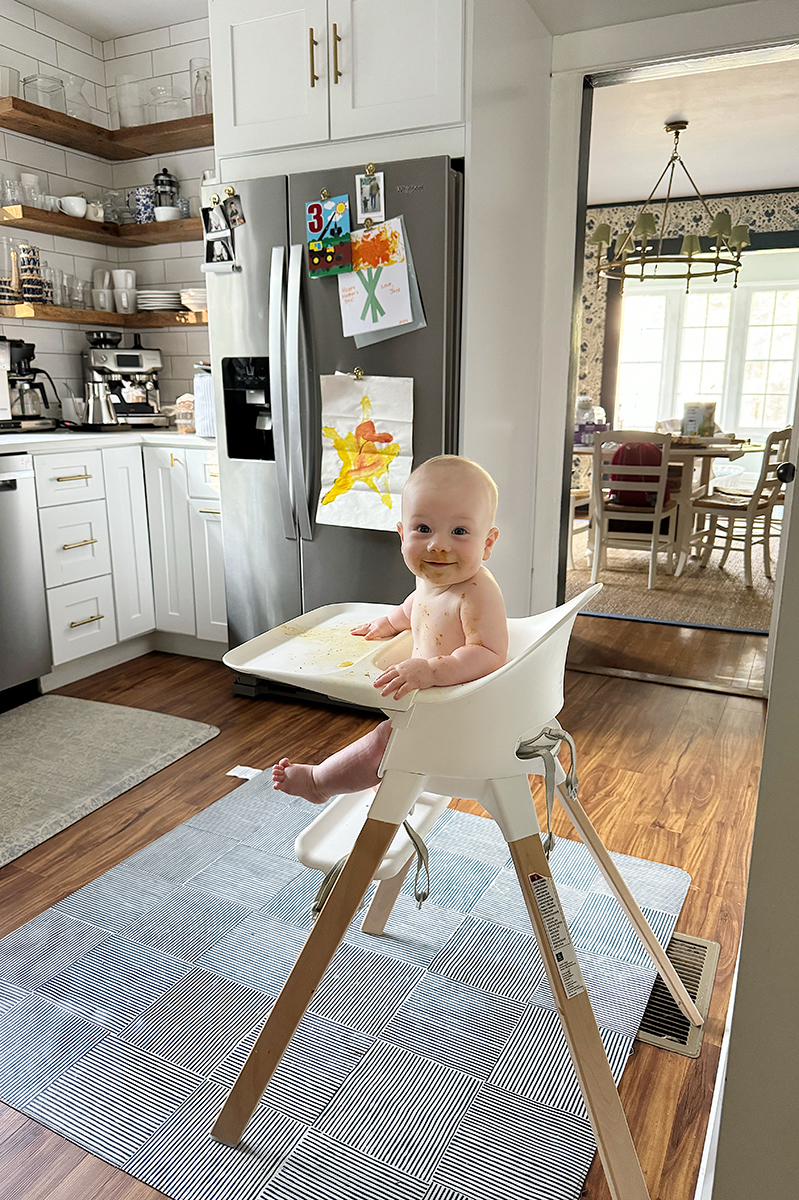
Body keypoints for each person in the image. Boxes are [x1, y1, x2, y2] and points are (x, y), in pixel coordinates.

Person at [272, 455, 508, 804]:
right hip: (432, 707)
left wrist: (430, 670)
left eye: (459, 532)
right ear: (402, 534)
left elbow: (489, 654)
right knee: (391, 739)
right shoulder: (432, 580)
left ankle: (318, 782)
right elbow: (415, 606)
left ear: (487, 543)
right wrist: (388, 623)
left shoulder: (477, 592)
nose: (437, 545)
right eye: (423, 529)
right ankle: (389, 774)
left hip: (460, 719)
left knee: (384, 743)